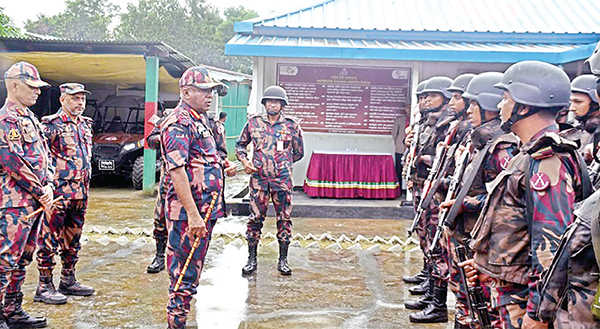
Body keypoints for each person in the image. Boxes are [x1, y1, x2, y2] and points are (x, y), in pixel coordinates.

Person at [463, 61, 589, 329]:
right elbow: (514, 219)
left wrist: (538, 313)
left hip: (523, 302)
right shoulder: (526, 154)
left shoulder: (547, 160)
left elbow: (551, 246)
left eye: (505, 98)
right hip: (510, 291)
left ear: (524, 105)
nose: (499, 106)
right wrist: (484, 263)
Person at [159, 66, 236, 329]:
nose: (210, 96)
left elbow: (201, 160)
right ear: (185, 92)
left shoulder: (200, 120)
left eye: (212, 91)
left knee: (191, 274)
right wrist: (193, 215)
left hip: (205, 210)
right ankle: (176, 323)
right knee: (182, 277)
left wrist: (221, 166)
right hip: (187, 214)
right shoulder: (178, 122)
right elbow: (177, 171)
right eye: (204, 90)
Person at [440, 72, 518, 328]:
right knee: (464, 301)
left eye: (474, 104)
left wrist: (468, 204)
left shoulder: (502, 147)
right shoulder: (481, 139)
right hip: (466, 232)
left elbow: (504, 198)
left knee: (483, 309)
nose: (469, 109)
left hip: (483, 239)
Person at [0, 61, 52, 328]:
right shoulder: (5, 119)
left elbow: (46, 156)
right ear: (14, 85)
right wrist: (41, 191)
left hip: (35, 202)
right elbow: (13, 161)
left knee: (23, 257)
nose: (38, 92)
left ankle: (12, 310)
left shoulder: (30, 118)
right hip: (14, 204)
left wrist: (50, 184)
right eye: (32, 87)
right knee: (5, 259)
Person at [35, 83, 95, 305]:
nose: (80, 103)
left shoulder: (86, 125)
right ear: (63, 100)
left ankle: (68, 280)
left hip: (81, 193)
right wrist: (45, 186)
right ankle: (44, 286)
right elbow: (41, 158)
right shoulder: (50, 125)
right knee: (49, 239)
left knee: (73, 239)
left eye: (82, 99)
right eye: (74, 99)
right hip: (59, 194)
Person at [236, 85, 304, 277]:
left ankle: (283, 260)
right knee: (255, 219)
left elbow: (298, 152)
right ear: (264, 103)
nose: (272, 104)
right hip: (258, 181)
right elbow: (240, 145)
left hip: (282, 182)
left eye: (277, 101)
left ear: (283, 105)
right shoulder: (253, 123)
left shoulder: (292, 125)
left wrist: (280, 165)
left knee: (284, 219)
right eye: (269, 101)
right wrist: (245, 161)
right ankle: (251, 259)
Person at [145, 109, 172, 274]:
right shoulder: (169, 117)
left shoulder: (203, 119)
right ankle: (160, 256)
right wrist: (167, 136)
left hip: (194, 181)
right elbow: (151, 140)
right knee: (161, 218)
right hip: (169, 179)